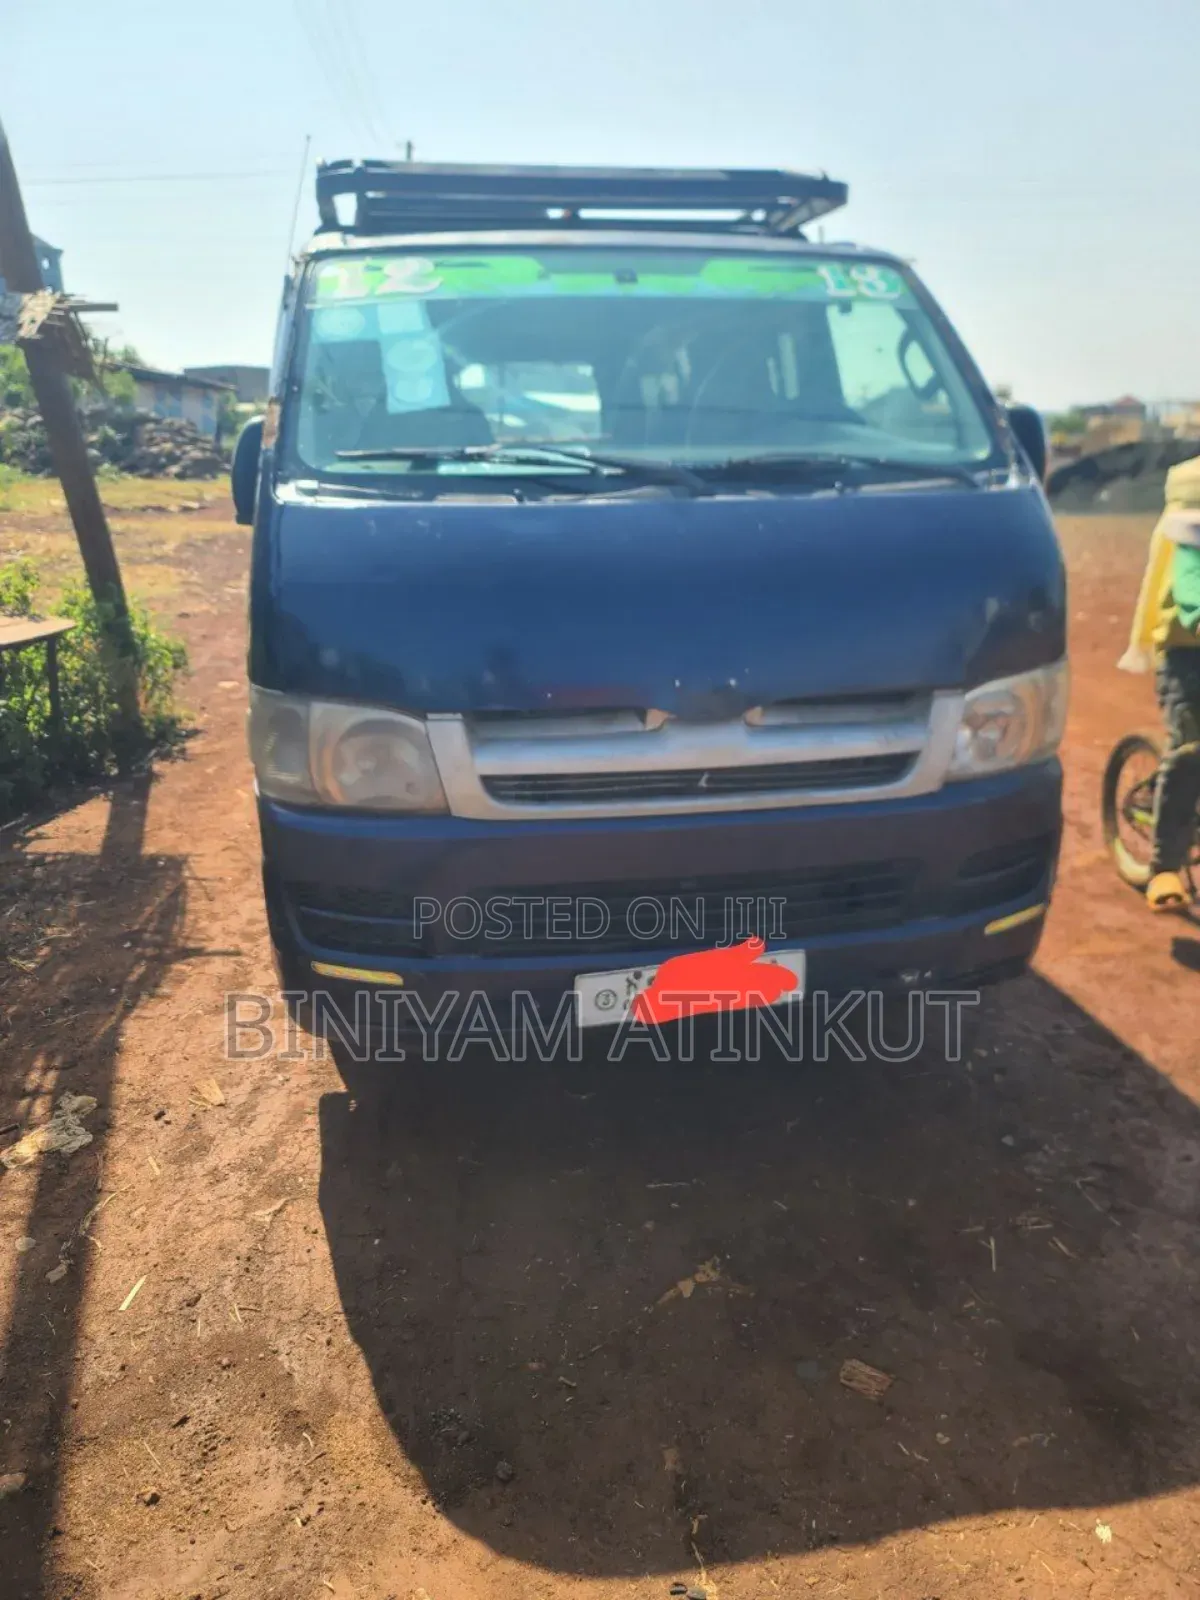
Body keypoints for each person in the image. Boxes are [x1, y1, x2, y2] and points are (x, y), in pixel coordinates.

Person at [1119, 454, 1200, 911]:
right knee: (1190, 747)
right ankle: (1165, 866)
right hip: (1188, 657)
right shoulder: (1192, 537)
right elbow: (1192, 597)